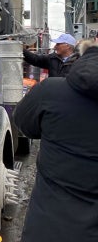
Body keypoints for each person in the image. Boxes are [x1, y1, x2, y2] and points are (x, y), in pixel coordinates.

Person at [13, 41, 98, 242]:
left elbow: (25, 125)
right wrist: (21, 49)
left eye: (59, 44)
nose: (55, 47)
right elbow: (34, 58)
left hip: (50, 226)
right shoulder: (52, 60)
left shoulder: (50, 91)